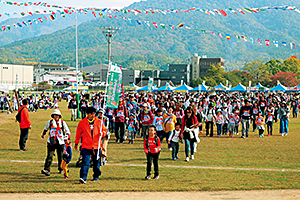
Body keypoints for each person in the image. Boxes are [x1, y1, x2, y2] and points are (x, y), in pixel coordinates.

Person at [75, 107, 107, 184]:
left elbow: (105, 130)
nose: (93, 115)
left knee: (96, 163)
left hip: (96, 146)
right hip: (86, 146)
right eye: (91, 114)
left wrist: (102, 134)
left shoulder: (99, 122)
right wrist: (76, 143)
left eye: (93, 113)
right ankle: (83, 177)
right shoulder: (82, 123)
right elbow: (78, 133)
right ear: (87, 114)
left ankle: (96, 175)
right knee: (85, 162)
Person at [41, 109, 71, 176]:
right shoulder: (50, 122)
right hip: (51, 142)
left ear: (59, 116)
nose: (56, 116)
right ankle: (47, 169)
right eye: (55, 115)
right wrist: (43, 134)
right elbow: (46, 128)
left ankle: (61, 169)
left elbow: (68, 131)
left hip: (61, 142)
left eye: (57, 115)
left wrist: (67, 137)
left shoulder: (63, 123)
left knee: (61, 156)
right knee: (49, 156)